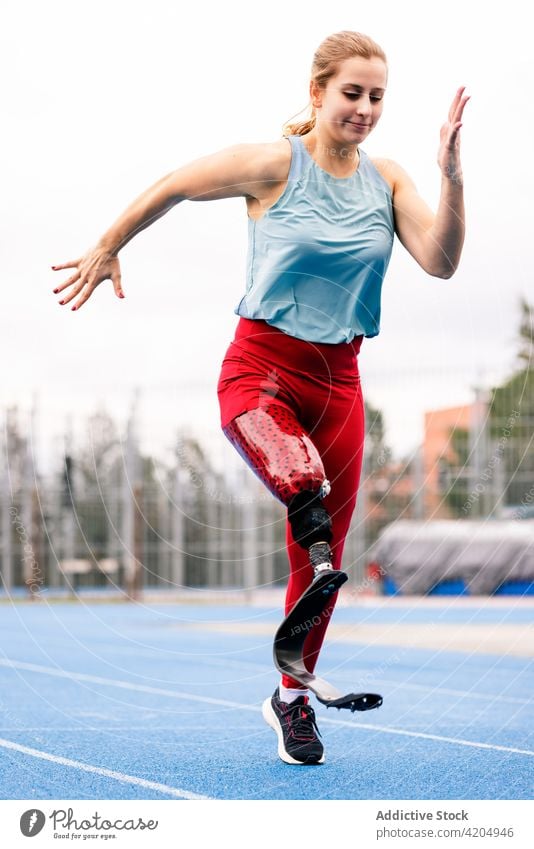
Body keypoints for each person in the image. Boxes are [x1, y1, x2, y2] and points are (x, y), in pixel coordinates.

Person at [52, 30, 468, 766]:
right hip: (262, 370)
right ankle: (302, 518)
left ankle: (293, 696)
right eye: (351, 93)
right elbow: (175, 183)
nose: (365, 109)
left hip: (340, 380)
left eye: (376, 97)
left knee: (324, 558)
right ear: (316, 93)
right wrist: (109, 242)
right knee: (303, 481)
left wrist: (450, 175)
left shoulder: (391, 180)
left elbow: (439, 263)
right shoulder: (275, 166)